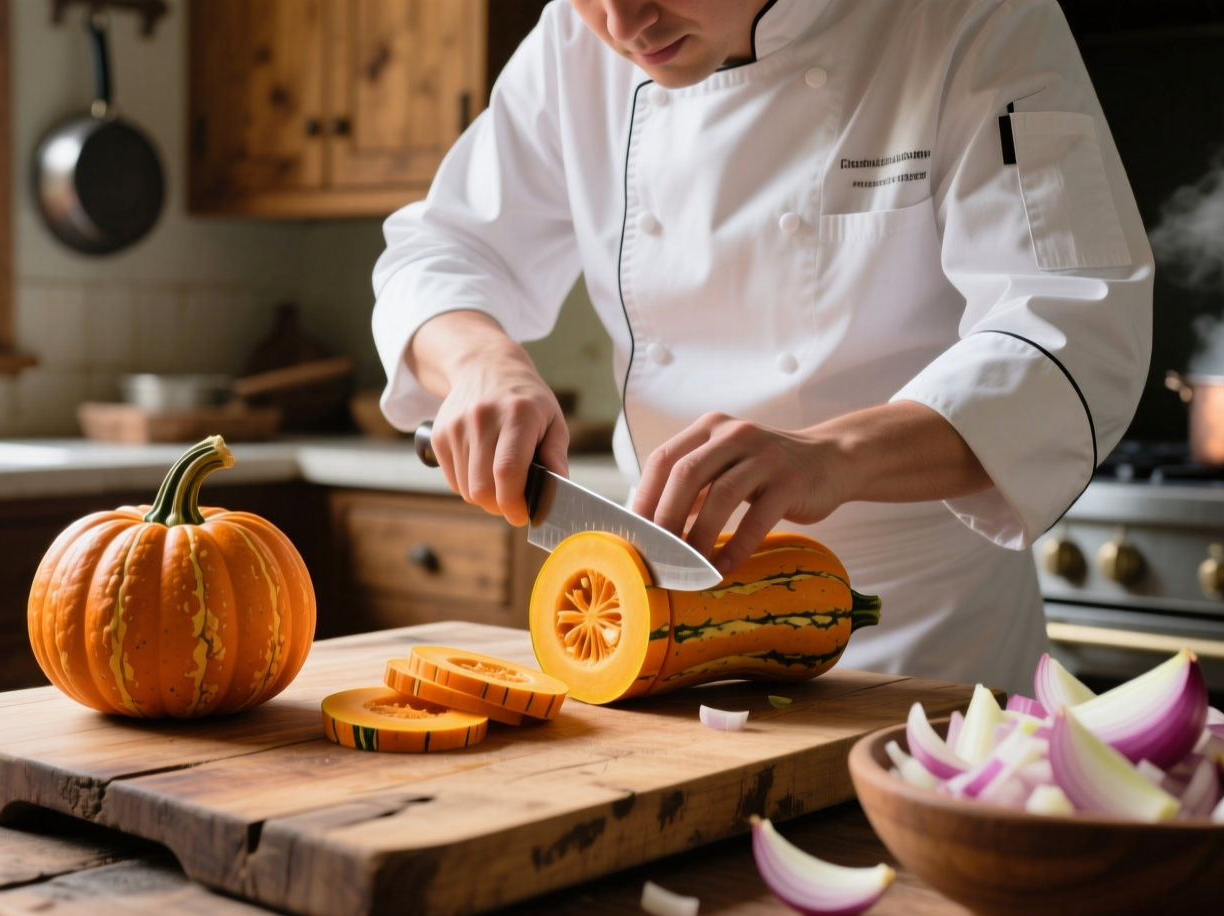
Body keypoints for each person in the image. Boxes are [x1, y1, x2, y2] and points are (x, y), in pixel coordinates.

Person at [371, 0, 1152, 696]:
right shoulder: (571, 50)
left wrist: (833, 454)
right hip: (667, 637)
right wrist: (481, 363)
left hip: (923, 653)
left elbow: (1073, 322)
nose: (622, 22)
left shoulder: (972, 19)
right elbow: (438, 254)